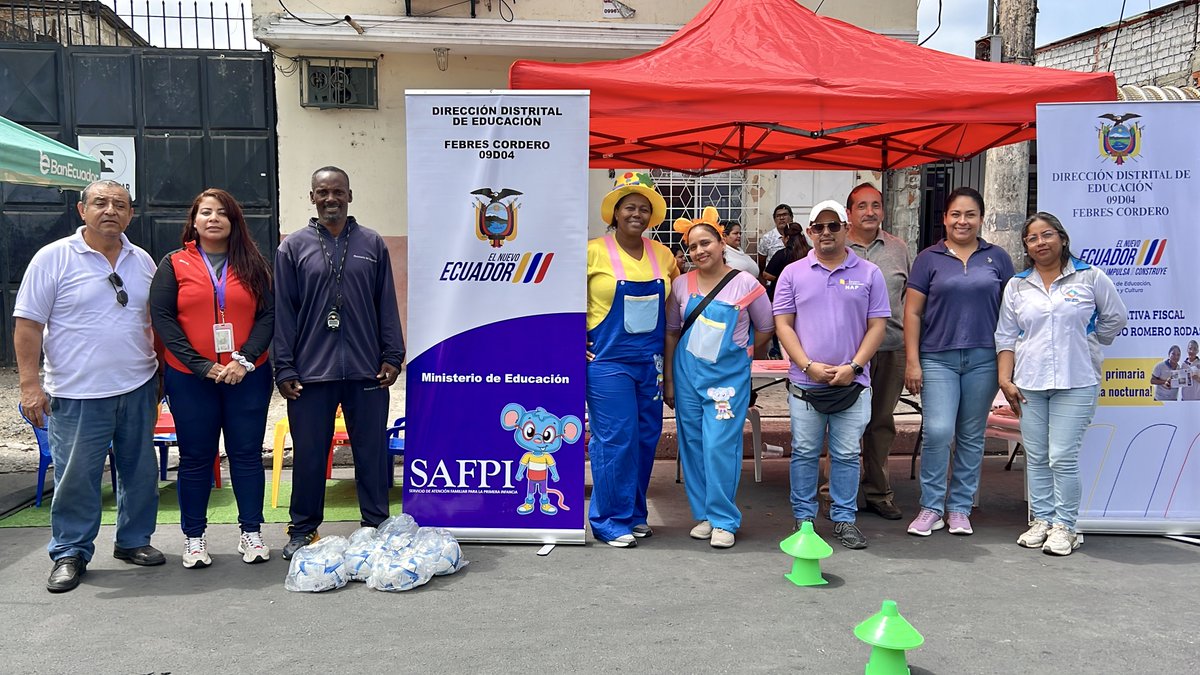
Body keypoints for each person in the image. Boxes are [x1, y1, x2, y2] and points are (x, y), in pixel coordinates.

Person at [14, 180, 164, 593]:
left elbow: (153, 321)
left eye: (120, 204)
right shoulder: (53, 258)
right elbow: (28, 325)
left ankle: (134, 541)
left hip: (136, 385)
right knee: (77, 477)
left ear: (131, 214)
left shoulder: (143, 261)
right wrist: (30, 384)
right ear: (82, 210)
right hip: (77, 392)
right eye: (100, 203)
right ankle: (70, 551)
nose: (110, 210)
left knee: (139, 471)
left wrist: (160, 379)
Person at [273, 166, 406, 559]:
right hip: (310, 373)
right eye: (322, 192)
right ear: (311, 197)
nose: (331, 199)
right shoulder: (293, 247)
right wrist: (284, 368)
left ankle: (376, 524)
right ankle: (302, 529)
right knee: (310, 454)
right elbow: (284, 310)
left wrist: (392, 356)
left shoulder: (371, 243)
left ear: (350, 195)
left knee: (370, 452)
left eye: (338, 192)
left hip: (367, 369)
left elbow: (386, 303)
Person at [149, 188, 274, 568]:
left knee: (247, 456)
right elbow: (163, 320)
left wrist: (244, 359)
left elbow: (268, 317)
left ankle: (251, 533)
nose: (214, 218)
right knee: (196, 458)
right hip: (190, 378)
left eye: (222, 212)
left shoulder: (254, 263)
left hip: (247, 376)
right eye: (206, 212)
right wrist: (202, 365)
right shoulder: (174, 264)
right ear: (195, 220)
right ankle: (194, 538)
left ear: (234, 221)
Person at [996, 212, 1126, 556]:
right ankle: (1041, 520)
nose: (1041, 243)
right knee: (1037, 456)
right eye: (1033, 238)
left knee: (1062, 457)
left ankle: (1066, 526)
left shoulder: (1089, 277)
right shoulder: (1018, 285)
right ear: (1026, 246)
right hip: (1030, 383)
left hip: (1077, 380)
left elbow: (1115, 316)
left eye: (1047, 235)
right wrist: (1004, 380)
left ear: (1062, 238)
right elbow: (1006, 336)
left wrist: (1091, 341)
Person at [773, 200, 889, 550]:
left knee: (846, 455)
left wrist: (853, 366)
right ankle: (804, 519)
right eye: (818, 227)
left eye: (833, 225)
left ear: (846, 229)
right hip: (806, 385)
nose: (825, 233)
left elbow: (877, 325)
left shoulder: (869, 273)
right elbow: (783, 325)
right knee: (805, 453)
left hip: (852, 384)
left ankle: (843, 518)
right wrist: (807, 365)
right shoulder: (792, 274)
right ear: (809, 232)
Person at [904, 187, 1014, 537]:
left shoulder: (997, 257)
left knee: (971, 435)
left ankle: (959, 508)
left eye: (970, 215)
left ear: (981, 219)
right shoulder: (928, 259)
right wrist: (912, 361)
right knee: (938, 431)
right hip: (937, 357)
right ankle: (931, 506)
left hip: (984, 358)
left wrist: (1006, 365)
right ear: (945, 218)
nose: (962, 221)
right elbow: (912, 312)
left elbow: (1011, 314)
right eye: (956, 214)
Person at [663, 217, 773, 549]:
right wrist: (669, 379)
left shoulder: (745, 283)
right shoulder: (681, 285)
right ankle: (706, 515)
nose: (699, 250)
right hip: (686, 378)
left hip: (727, 384)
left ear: (722, 244)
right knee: (693, 444)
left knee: (720, 446)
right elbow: (671, 332)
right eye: (692, 246)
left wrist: (743, 354)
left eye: (706, 243)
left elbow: (766, 326)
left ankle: (725, 518)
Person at [586, 171, 679, 547]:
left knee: (644, 438)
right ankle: (610, 520)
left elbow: (675, 306)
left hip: (650, 363)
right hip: (608, 362)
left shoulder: (664, 254)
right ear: (615, 213)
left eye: (643, 208)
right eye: (629, 207)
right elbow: (563, 302)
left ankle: (634, 513)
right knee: (615, 439)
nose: (636, 214)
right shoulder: (592, 252)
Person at [836, 183, 911, 521]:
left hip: (890, 349)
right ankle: (837, 493)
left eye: (876, 205)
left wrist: (913, 355)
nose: (870, 212)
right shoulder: (835, 245)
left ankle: (879, 493)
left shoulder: (899, 249)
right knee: (841, 424)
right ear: (849, 213)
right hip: (845, 353)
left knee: (881, 423)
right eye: (862, 206)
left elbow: (910, 303)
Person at [756, 203, 793, 271]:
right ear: (774, 219)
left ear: (791, 217)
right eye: (778, 216)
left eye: (784, 215)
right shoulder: (767, 238)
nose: (781, 218)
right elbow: (761, 261)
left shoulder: (798, 236)